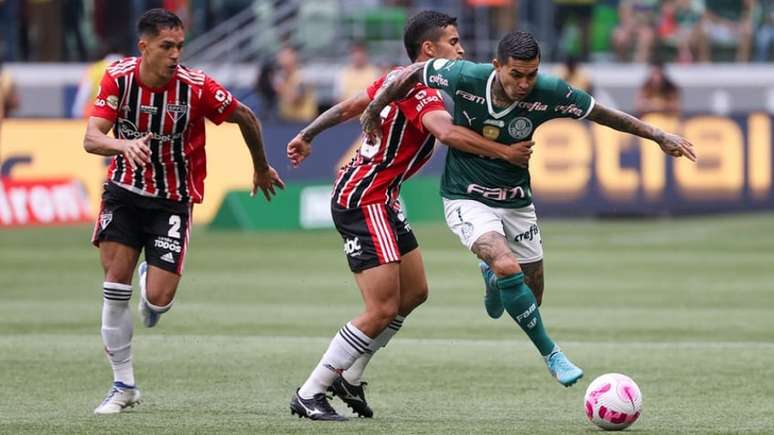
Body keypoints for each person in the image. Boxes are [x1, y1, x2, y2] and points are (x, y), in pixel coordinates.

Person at [360, 30, 696, 392]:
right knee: (506, 264)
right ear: (496, 66)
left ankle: (493, 279)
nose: (524, 83)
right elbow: (408, 73)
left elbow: (602, 114)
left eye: (531, 75)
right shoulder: (464, 76)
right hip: (465, 196)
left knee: (530, 297)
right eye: (515, 74)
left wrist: (658, 134)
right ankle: (553, 355)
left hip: (516, 200)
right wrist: (374, 109)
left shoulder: (550, 91)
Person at [286, 11, 534, 421]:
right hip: (364, 198)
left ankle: (351, 375)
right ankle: (311, 391)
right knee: (381, 308)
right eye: (453, 42)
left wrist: (307, 134)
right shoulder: (422, 92)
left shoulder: (394, 78)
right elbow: (447, 133)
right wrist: (505, 151)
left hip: (384, 199)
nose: (461, 49)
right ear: (429, 50)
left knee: (414, 292)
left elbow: (349, 107)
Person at [83, 8, 284, 415]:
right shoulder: (119, 78)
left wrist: (260, 167)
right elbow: (91, 138)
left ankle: (151, 285)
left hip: (172, 198)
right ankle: (123, 385)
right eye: (166, 46)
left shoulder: (196, 87)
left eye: (179, 46)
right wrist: (123, 146)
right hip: (123, 191)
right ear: (145, 47)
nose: (176, 54)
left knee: (157, 301)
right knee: (114, 283)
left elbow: (245, 116)